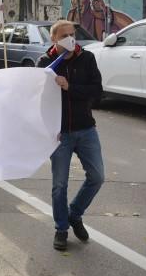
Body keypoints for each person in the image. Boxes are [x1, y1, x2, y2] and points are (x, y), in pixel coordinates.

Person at [37, 19, 104, 251]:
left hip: (86, 129)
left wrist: (70, 87)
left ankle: (75, 214)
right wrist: (47, 130)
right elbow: (38, 101)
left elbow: (97, 91)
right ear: (54, 39)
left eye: (72, 33)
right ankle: (61, 228)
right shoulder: (45, 63)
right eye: (64, 35)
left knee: (97, 177)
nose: (70, 38)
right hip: (60, 135)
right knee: (59, 185)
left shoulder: (86, 58)